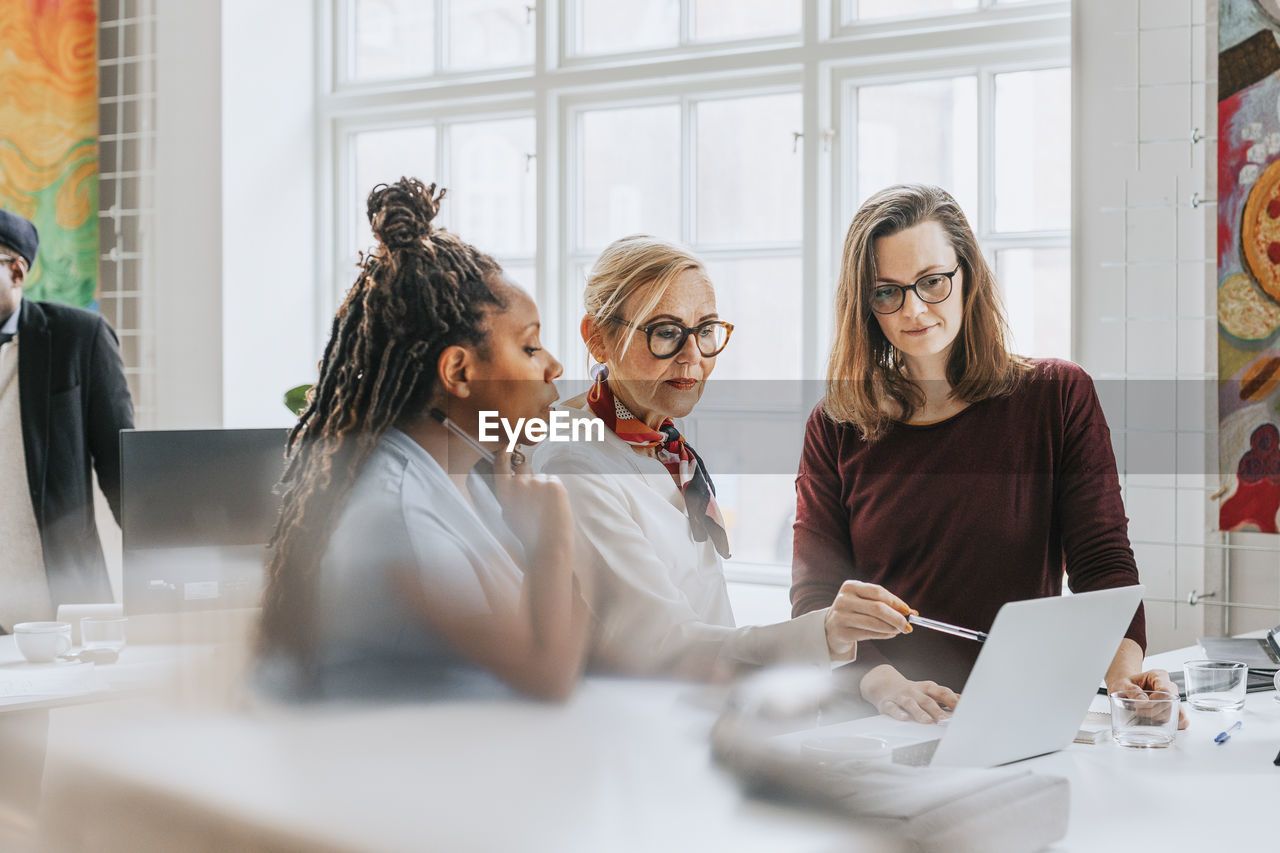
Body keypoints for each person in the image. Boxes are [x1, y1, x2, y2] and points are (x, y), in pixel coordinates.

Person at [791, 184, 1184, 726]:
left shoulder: (1057, 396)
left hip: (1014, 713)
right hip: (878, 718)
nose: (914, 309)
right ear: (865, 304)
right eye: (887, 292)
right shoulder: (835, 424)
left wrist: (1122, 675)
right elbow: (816, 597)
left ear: (967, 274)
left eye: (932, 282)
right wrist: (884, 687)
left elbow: (1103, 562)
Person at [258, 178, 587, 701]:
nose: (554, 366)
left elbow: (568, 641)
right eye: (530, 348)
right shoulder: (397, 518)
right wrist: (552, 542)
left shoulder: (474, 484)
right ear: (459, 370)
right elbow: (548, 679)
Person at [537, 235, 912, 680]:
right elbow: (661, 641)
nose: (693, 357)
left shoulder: (658, 436)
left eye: (705, 330)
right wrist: (824, 633)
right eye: (665, 333)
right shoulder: (573, 466)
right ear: (597, 339)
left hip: (705, 713)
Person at [0, 208, 133, 627]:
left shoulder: (79, 338)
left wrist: (171, 572)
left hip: (61, 602)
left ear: (17, 271)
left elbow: (121, 468)